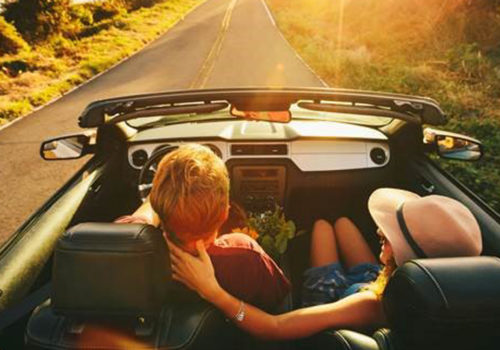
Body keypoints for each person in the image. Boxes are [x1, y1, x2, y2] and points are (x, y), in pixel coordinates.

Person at [167, 188, 482, 339]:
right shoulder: (467, 303)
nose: (380, 237)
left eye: (388, 240)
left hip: (338, 297)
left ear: (411, 260)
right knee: (342, 222)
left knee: (320, 227)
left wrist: (213, 291)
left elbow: (275, 327)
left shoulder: (373, 306)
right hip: (373, 279)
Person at [116, 143, 290, 311]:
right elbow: (278, 302)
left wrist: (166, 193)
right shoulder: (245, 254)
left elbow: (142, 217)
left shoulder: (126, 247)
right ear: (225, 213)